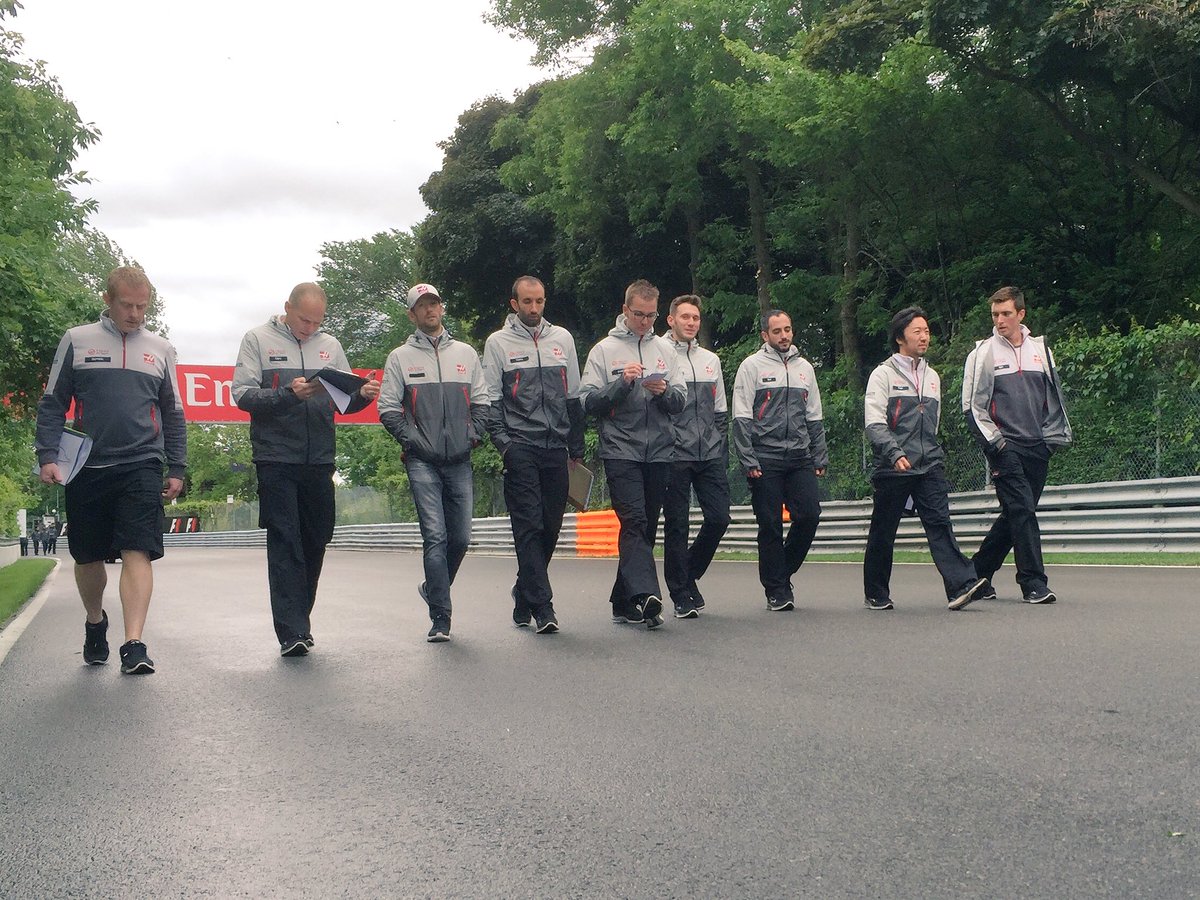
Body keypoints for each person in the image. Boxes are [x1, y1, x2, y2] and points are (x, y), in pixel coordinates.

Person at [35, 266, 186, 674]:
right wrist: (47, 454)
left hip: (142, 463)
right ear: (108, 299)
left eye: (142, 306)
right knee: (87, 555)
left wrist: (178, 466)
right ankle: (95, 621)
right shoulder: (77, 340)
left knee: (138, 548)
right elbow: (52, 403)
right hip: (87, 464)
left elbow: (173, 413)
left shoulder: (162, 350)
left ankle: (134, 643)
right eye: (127, 305)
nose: (135, 314)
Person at [232, 282, 381, 657]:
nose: (310, 329)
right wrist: (287, 395)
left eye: (317, 322)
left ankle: (299, 618)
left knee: (316, 539)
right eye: (303, 320)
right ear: (287, 308)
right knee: (285, 542)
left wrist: (362, 396)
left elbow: (344, 403)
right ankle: (292, 631)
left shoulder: (331, 346)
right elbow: (243, 396)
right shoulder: (257, 339)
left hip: (319, 459)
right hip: (276, 458)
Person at [379, 283, 489, 643]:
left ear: (442, 308)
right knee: (436, 537)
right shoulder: (399, 358)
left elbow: (483, 401)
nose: (430, 310)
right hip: (421, 460)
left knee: (461, 537)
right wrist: (414, 441)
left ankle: (432, 587)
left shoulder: (466, 353)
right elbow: (387, 408)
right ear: (412, 314)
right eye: (422, 306)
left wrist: (473, 436)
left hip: (460, 457)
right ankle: (441, 616)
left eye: (435, 304)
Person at [863, 307, 989, 611]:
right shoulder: (883, 375)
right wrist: (895, 453)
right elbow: (874, 423)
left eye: (927, 331)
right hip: (893, 466)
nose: (924, 336)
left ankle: (961, 585)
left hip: (929, 463)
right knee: (884, 530)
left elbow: (932, 424)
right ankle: (876, 592)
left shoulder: (932, 376)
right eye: (917, 331)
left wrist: (931, 453)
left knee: (940, 523)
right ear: (899, 337)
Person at [579, 279, 686, 629]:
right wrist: (620, 385)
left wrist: (663, 391)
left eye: (651, 315)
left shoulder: (666, 350)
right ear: (625, 310)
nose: (644, 321)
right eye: (638, 314)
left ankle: (622, 601)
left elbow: (680, 402)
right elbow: (587, 402)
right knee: (634, 521)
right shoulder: (603, 350)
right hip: (620, 449)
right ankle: (646, 596)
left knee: (647, 526)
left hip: (658, 450)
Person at [482, 275, 585, 634]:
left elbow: (573, 395)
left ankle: (524, 590)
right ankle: (544, 606)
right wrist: (504, 444)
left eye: (539, 301)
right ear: (514, 304)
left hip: (556, 446)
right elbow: (490, 400)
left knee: (551, 528)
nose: (534, 308)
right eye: (527, 302)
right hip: (520, 445)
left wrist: (577, 443)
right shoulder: (497, 343)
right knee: (529, 527)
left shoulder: (563, 339)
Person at [963, 286, 1072, 604]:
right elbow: (972, 407)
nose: (999, 320)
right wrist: (996, 445)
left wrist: (1050, 441)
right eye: (995, 315)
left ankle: (976, 574)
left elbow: (1054, 400)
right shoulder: (982, 353)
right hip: (1004, 447)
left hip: (1038, 447)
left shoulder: (1042, 351)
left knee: (1016, 514)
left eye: (1006, 313)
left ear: (1021, 314)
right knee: (1022, 510)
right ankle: (1034, 583)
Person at [731, 310, 827, 611]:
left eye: (787, 330)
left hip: (799, 456)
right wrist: (748, 458)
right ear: (765, 336)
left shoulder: (805, 368)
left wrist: (819, 453)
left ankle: (780, 572)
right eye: (777, 331)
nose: (783, 336)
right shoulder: (751, 367)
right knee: (770, 524)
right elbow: (742, 416)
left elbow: (814, 415)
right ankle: (777, 590)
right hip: (765, 457)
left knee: (809, 515)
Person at [661, 294, 731, 618]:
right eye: (685, 317)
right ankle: (679, 592)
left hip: (709, 451)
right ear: (671, 320)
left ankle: (688, 573)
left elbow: (720, 411)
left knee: (719, 518)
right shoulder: (657, 354)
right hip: (673, 453)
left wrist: (716, 440)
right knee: (678, 523)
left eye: (696, 318)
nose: (691, 322)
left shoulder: (710, 359)